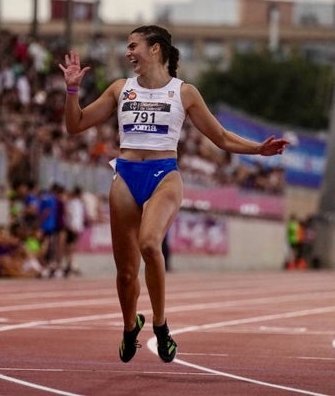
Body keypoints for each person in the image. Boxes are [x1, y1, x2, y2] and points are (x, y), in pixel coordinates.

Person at [59, 25, 289, 364]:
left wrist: (258, 149)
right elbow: (75, 124)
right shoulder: (121, 89)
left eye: (133, 45)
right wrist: (72, 91)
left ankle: (161, 324)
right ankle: (129, 326)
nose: (127, 53)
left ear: (155, 50)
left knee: (150, 244)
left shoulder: (184, 93)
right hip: (126, 174)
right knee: (125, 273)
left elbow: (221, 137)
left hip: (164, 174)